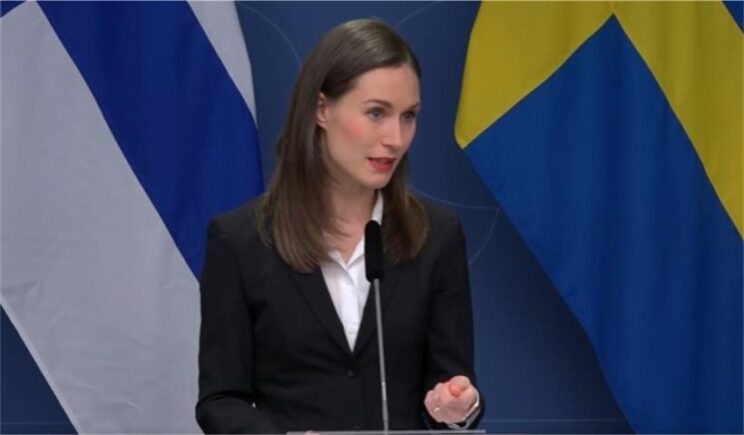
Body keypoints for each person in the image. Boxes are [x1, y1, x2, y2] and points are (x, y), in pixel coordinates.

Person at [196, 18, 482, 433]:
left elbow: (451, 385)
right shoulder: (240, 241)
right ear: (322, 109)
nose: (396, 138)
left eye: (408, 116)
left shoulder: (437, 235)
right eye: (376, 113)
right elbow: (220, 402)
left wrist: (456, 408)